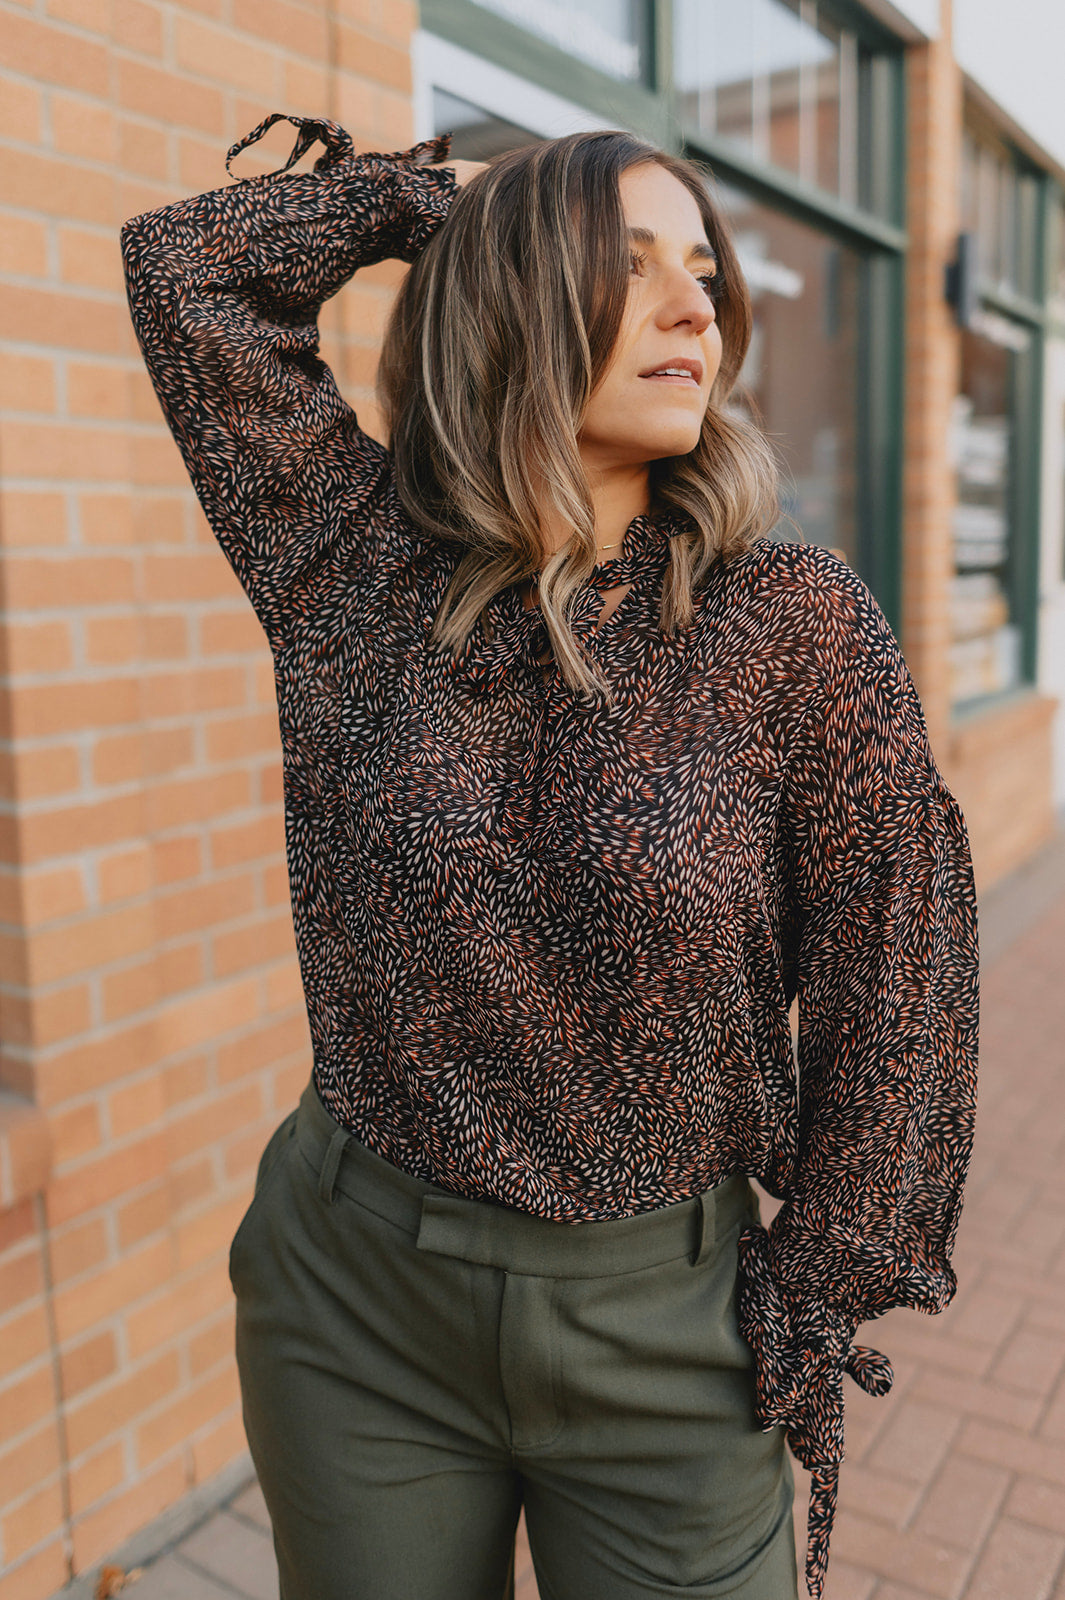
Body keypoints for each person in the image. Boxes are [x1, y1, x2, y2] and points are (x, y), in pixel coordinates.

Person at [120, 112, 979, 1600]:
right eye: (627, 264)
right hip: (356, 1299)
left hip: (666, 1324)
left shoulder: (792, 623)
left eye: (703, 271)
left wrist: (808, 1281)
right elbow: (185, 274)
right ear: (510, 292)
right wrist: (443, 200)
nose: (693, 305)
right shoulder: (353, 563)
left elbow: (900, 973)